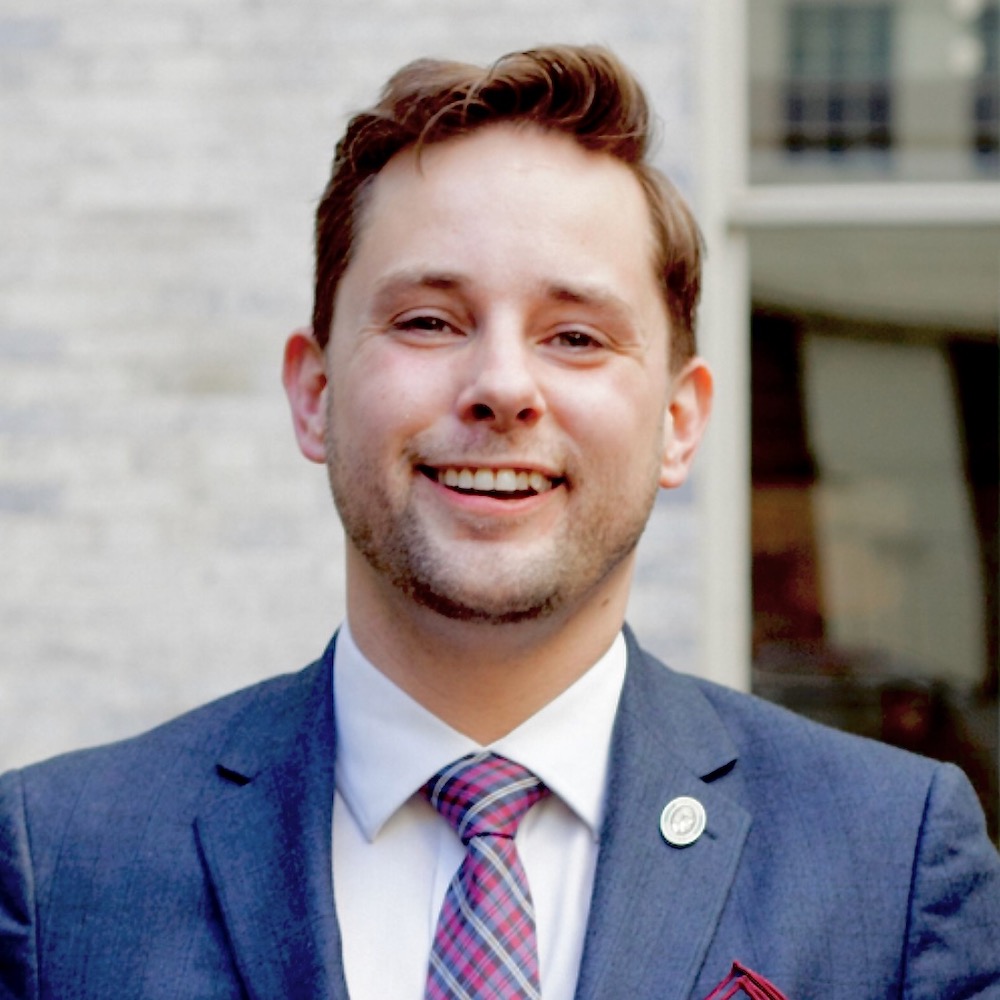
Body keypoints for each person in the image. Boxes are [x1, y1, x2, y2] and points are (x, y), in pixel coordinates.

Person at [1, 44, 998, 1000]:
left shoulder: (892, 862)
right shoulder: (60, 869)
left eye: (575, 335)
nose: (502, 387)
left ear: (678, 423)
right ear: (313, 394)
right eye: (429, 320)